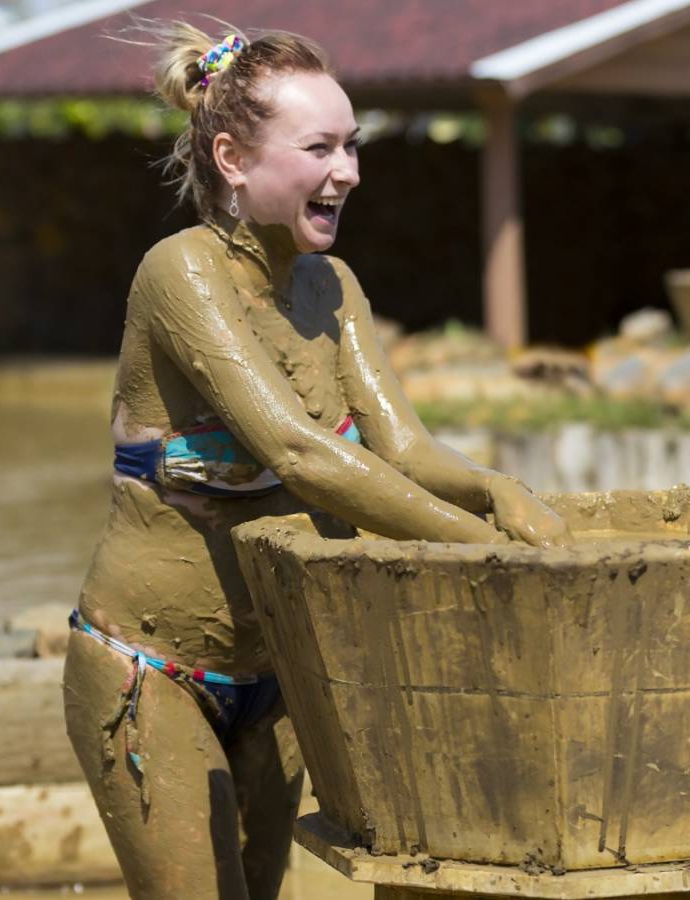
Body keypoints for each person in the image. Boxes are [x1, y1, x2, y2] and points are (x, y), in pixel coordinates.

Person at [64, 22, 570, 898]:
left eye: (353, 146)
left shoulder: (331, 287)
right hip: (151, 670)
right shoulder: (181, 274)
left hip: (285, 666)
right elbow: (303, 455)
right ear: (232, 158)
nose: (349, 171)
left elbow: (403, 449)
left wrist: (496, 490)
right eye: (321, 148)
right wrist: (474, 547)